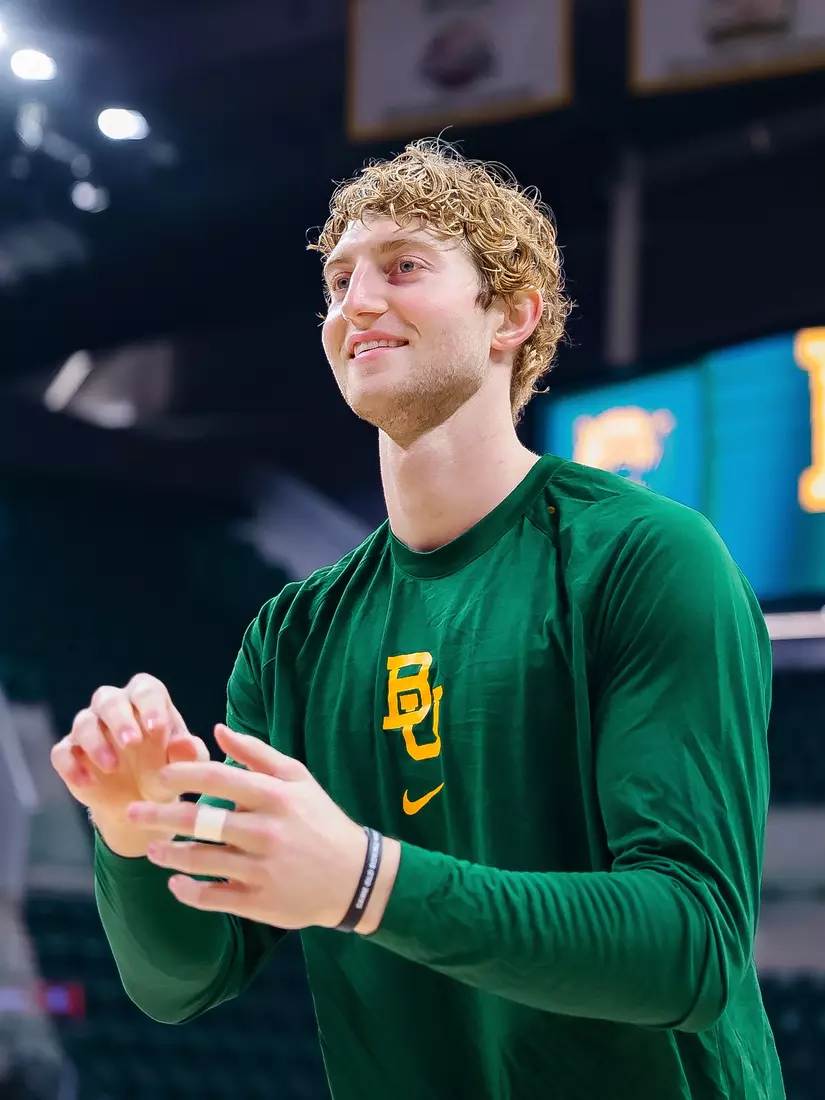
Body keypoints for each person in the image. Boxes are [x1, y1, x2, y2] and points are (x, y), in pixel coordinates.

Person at [50, 139, 785, 1099]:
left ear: (512, 315)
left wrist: (365, 879)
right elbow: (181, 982)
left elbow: (691, 947)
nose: (356, 303)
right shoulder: (294, 636)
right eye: (339, 277)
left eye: (403, 267)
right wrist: (133, 834)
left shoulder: (647, 557)